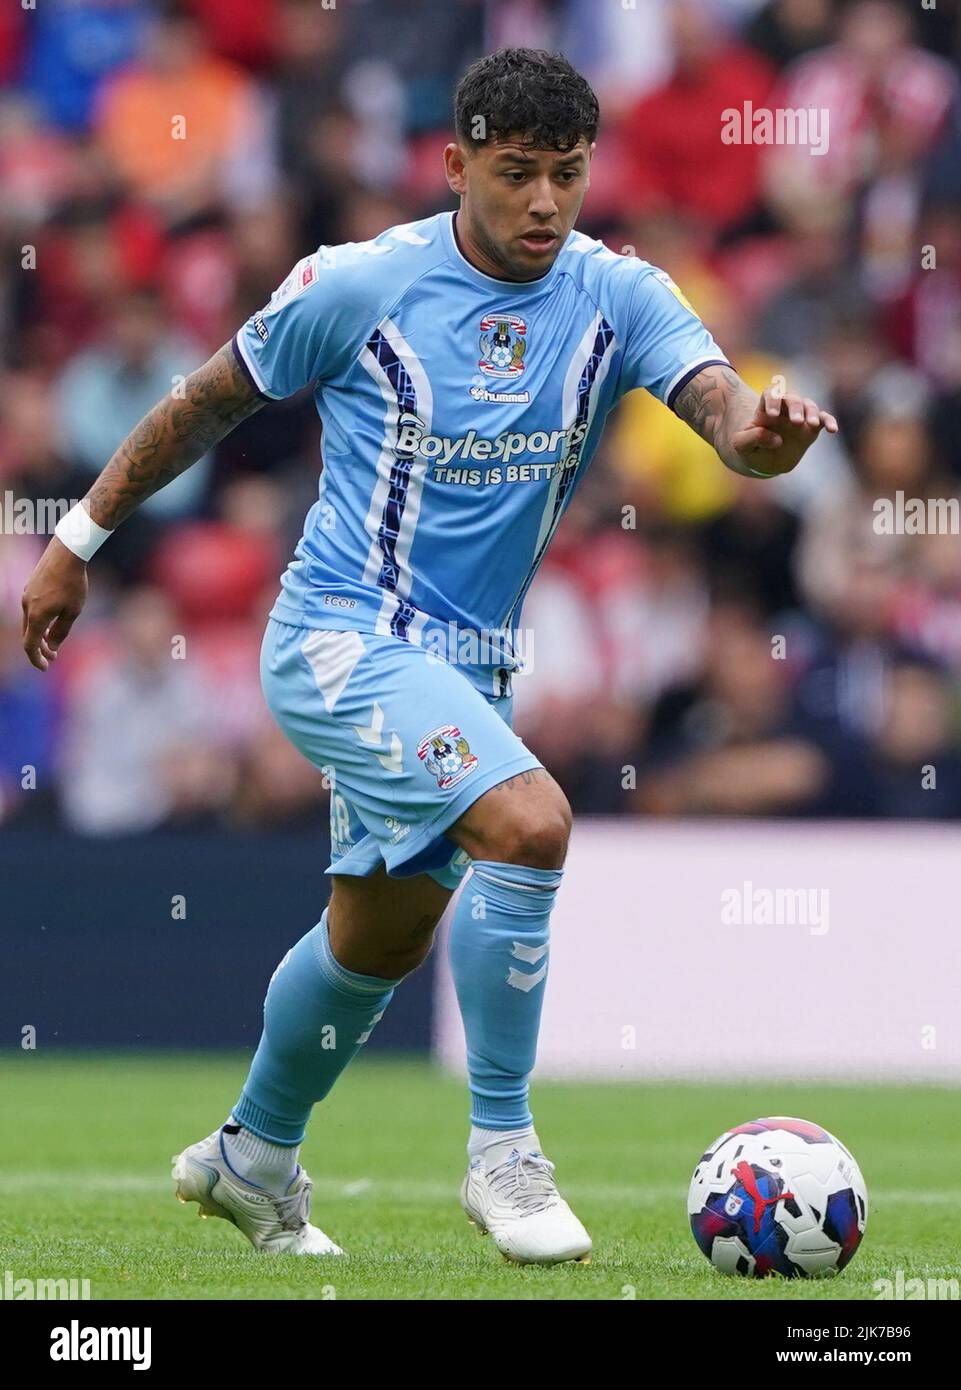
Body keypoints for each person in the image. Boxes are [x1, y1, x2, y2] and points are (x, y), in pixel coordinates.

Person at [20, 48, 837, 1267]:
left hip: (470, 670)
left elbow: (718, 404)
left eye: (566, 174)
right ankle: (502, 1153)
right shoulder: (361, 285)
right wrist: (77, 539)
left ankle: (253, 1153)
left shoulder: (616, 295)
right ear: (456, 164)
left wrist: (758, 441)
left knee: (380, 936)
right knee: (532, 823)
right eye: (516, 175)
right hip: (342, 636)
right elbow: (203, 401)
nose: (545, 204)